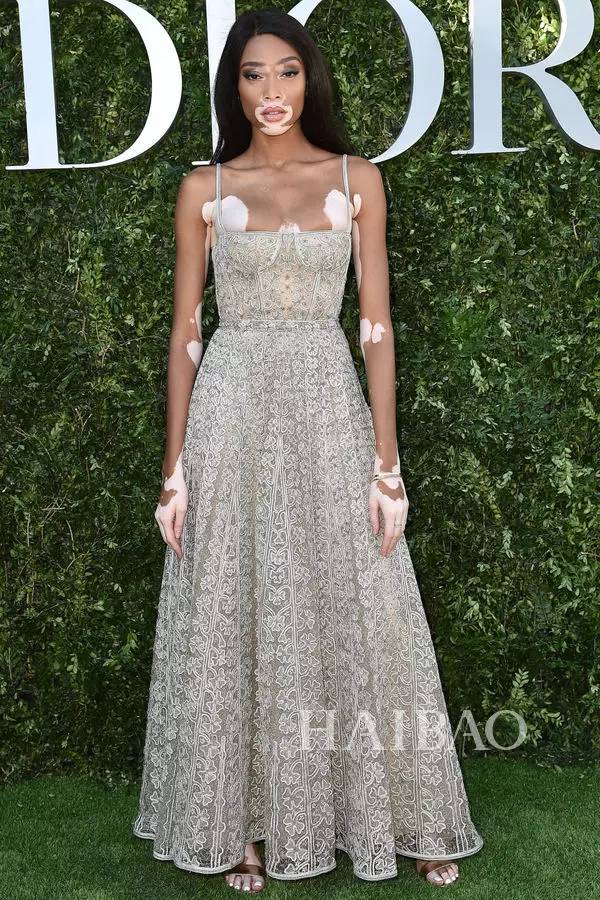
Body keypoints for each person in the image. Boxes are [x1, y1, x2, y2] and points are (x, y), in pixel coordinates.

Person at [132, 8, 483, 892]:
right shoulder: (202, 188)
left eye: (286, 71)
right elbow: (185, 334)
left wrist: (387, 465)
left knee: (363, 594)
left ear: (310, 79)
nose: (271, 91)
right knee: (239, 605)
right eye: (253, 74)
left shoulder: (357, 179)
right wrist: (174, 473)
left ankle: (407, 815)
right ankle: (246, 828)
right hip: (231, 414)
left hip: (328, 406)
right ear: (233, 87)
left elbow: (376, 328)